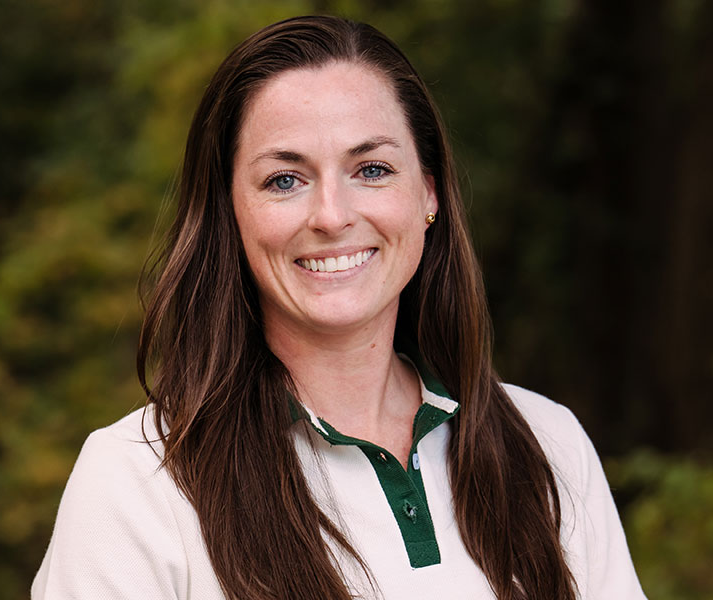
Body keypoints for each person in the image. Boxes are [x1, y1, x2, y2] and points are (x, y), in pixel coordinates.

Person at [32, 15, 646, 600]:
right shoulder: (139, 482)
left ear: (428, 193)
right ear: (230, 212)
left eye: (371, 169)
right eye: (285, 180)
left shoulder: (548, 446)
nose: (331, 215)